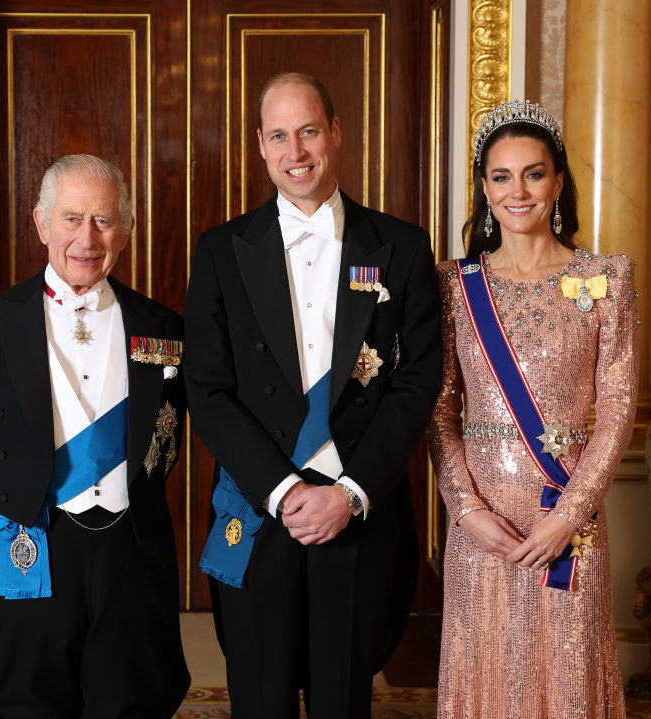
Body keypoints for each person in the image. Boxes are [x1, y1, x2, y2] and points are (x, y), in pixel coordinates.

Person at [185, 72, 442, 719]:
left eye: (307, 131)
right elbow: (206, 388)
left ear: (335, 133)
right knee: (260, 700)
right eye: (278, 135)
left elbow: (418, 380)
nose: (295, 151)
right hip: (260, 504)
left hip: (356, 508)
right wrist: (285, 491)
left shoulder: (402, 247)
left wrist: (350, 491)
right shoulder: (221, 250)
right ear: (260, 145)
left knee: (343, 700)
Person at [0, 154, 190, 718]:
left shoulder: (164, 329)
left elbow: (167, 442)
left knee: (128, 704)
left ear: (127, 231)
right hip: (30, 546)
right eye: (71, 219)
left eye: (104, 221)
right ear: (40, 224)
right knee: (26, 705)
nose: (87, 238)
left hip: (129, 554)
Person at [428, 99, 636, 718]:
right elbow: (440, 409)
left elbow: (620, 405)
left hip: (568, 520)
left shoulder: (607, 277)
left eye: (534, 173)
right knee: (486, 667)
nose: (518, 191)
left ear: (559, 181)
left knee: (566, 673)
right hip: (483, 526)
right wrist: (466, 511)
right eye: (501, 176)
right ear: (484, 188)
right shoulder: (453, 284)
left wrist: (567, 517)